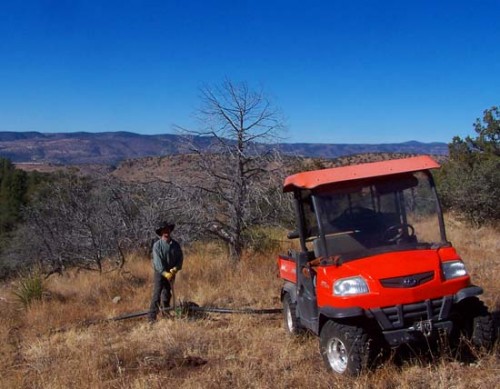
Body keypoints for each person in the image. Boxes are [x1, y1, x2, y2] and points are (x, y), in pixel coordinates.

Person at [148, 221, 183, 322]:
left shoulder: (176, 245)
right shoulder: (157, 246)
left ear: (170, 231)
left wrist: (175, 268)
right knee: (157, 293)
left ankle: (166, 313)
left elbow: (180, 258)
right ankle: (151, 318)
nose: (166, 232)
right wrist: (165, 273)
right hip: (160, 272)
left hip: (171, 272)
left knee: (167, 293)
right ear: (161, 232)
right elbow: (157, 263)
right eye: (164, 230)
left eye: (167, 230)